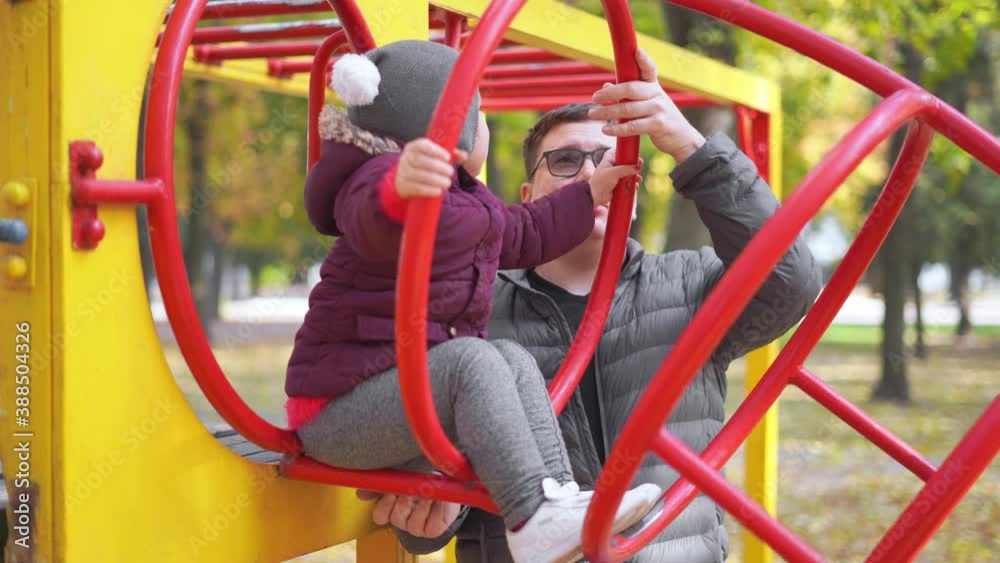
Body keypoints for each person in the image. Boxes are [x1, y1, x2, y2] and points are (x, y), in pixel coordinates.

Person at [374, 48, 822, 562]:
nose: (592, 177)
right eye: (566, 161)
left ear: (631, 194)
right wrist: (434, 512)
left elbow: (792, 280)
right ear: (527, 195)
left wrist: (689, 147)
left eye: (611, 163)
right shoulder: (469, 307)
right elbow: (433, 460)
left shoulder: (688, 286)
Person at [283, 40, 662, 563]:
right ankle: (531, 516)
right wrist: (401, 186)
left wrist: (588, 194)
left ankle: (556, 500)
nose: (484, 125)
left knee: (510, 357)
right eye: (477, 112)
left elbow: (526, 230)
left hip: (401, 394)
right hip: (338, 411)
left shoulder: (468, 201)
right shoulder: (371, 177)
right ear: (445, 123)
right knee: (472, 359)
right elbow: (369, 219)